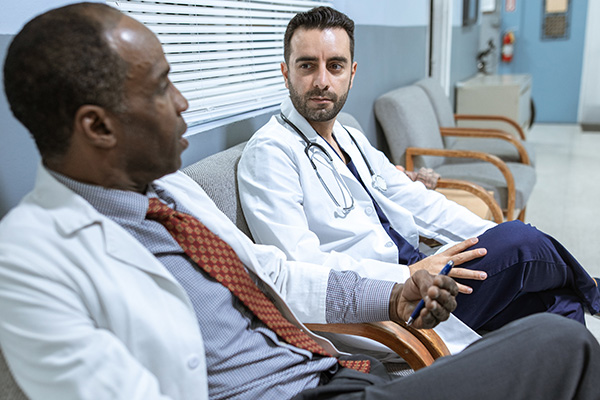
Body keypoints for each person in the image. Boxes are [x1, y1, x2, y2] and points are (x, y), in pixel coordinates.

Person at [1, 3, 599, 400]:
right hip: (302, 387)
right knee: (557, 333)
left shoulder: (168, 193)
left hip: (333, 373)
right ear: (96, 126)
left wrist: (397, 288)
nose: (183, 103)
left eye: (335, 66)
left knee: (554, 329)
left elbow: (277, 274)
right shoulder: (28, 263)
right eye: (161, 86)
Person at [237, 5, 600, 348]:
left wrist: (485, 236)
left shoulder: (346, 134)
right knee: (523, 242)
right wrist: (404, 281)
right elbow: (300, 269)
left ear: (352, 72)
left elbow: (416, 199)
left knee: (558, 307)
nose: (322, 81)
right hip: (389, 305)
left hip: (425, 271)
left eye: (335, 65)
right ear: (286, 72)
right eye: (306, 66)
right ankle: (595, 291)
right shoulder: (270, 153)